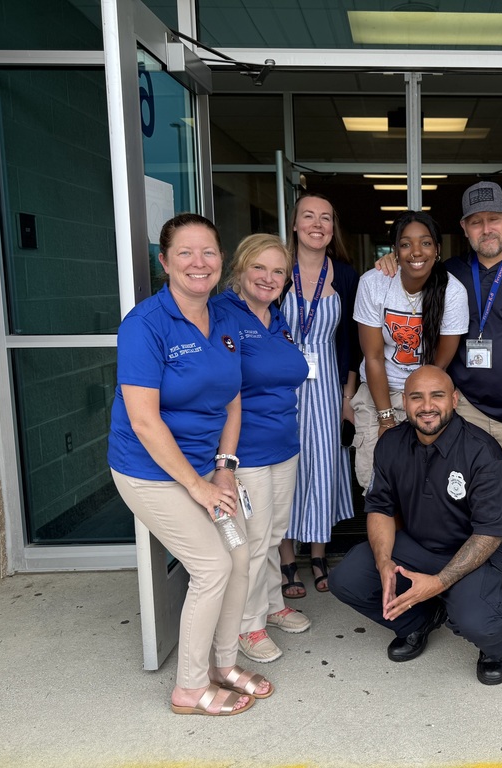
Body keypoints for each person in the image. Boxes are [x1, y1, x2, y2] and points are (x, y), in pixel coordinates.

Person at [374, 181, 502, 628]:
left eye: (494, 219)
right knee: (455, 500)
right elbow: (406, 276)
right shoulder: (450, 270)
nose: (487, 229)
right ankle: (466, 581)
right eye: (476, 222)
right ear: (464, 228)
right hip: (464, 409)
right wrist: (389, 259)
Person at [108, 213, 271, 716]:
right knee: (212, 565)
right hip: (151, 471)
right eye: (185, 253)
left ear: (222, 261)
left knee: (241, 556)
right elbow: (144, 421)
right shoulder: (145, 325)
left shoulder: (224, 317)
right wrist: (198, 487)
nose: (198, 263)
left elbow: (233, 399)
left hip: (208, 469)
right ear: (164, 261)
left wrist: (223, 468)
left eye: (208, 253)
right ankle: (189, 688)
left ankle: (224, 664)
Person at [328, 365, 502, 685]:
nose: (427, 406)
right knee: (347, 578)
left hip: (474, 553)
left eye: (437, 396)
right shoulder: (391, 444)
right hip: (416, 546)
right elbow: (379, 508)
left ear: (455, 400)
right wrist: (384, 561)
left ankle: (496, 649)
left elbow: (489, 534)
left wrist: (439, 582)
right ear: (404, 401)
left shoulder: (483, 452)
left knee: (475, 619)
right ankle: (418, 621)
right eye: (416, 397)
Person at [212, 234, 311, 664]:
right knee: (250, 541)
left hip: (283, 445)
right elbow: (219, 385)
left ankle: (272, 605)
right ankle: (245, 626)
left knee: (272, 534)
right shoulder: (222, 315)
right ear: (240, 268)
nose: (268, 278)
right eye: (260, 268)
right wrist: (223, 461)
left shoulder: (277, 318)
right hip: (244, 451)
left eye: (278, 271)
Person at [278, 194, 360, 599]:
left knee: (324, 467)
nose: (316, 223)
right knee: (284, 468)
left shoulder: (344, 275)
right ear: (294, 224)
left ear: (333, 228)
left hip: (327, 388)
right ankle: (287, 558)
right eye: (307, 216)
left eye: (325, 218)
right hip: (280, 390)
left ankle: (319, 554)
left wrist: (348, 396)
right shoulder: (275, 271)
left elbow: (350, 341)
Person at [351, 210, 469, 491]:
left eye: (426, 243)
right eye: (406, 244)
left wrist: (419, 404)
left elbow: (438, 367)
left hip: (425, 394)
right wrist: (386, 417)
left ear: (437, 249)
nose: (416, 252)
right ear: (395, 251)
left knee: (424, 482)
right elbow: (374, 358)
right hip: (378, 392)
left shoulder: (452, 291)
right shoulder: (374, 283)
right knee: (377, 483)